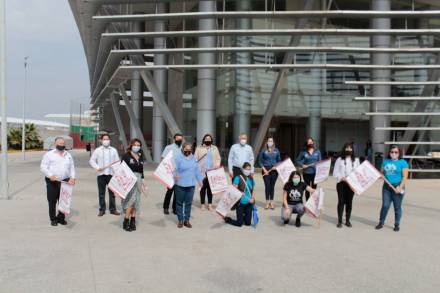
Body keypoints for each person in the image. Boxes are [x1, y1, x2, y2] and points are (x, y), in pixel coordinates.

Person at [40, 137, 76, 226]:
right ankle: (53, 219)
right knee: (52, 200)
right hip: (52, 181)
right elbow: (43, 167)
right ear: (55, 144)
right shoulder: (49, 154)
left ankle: (61, 218)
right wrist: (50, 175)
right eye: (59, 143)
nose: (61, 145)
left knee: (63, 200)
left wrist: (73, 177)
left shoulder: (68, 155)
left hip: (65, 181)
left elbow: (72, 167)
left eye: (63, 144)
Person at [375, 145, 409, 232]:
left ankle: (397, 224)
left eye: (396, 152)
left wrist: (400, 187)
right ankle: (381, 222)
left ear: (399, 153)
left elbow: (405, 177)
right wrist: (380, 176)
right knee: (385, 205)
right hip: (387, 187)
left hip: (398, 186)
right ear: (389, 153)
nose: (393, 154)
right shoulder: (385, 161)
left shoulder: (403, 162)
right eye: (392, 152)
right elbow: (381, 173)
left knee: (397, 207)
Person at [89, 134, 120, 217]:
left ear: (110, 140)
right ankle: (102, 209)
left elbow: (117, 162)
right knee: (101, 193)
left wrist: (117, 173)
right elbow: (92, 161)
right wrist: (97, 167)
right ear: (101, 140)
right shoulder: (97, 150)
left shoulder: (114, 150)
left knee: (112, 193)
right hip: (101, 175)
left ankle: (113, 209)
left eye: (107, 139)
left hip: (111, 174)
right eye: (104, 139)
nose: (106, 141)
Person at [174, 143, 203, 228]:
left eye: (189, 149)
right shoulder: (178, 158)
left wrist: (200, 181)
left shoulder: (194, 158)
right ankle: (180, 220)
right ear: (182, 149)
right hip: (180, 184)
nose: (188, 151)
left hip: (191, 184)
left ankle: (186, 220)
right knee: (179, 203)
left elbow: (197, 170)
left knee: (188, 203)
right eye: (186, 149)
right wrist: (175, 176)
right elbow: (174, 169)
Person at [333, 142, 360, 228]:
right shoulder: (339, 160)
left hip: (351, 185)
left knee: (349, 203)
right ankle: (340, 221)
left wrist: (352, 178)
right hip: (341, 184)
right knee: (341, 202)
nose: (348, 149)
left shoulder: (356, 160)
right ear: (344, 149)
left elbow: (358, 173)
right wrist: (341, 177)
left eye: (350, 148)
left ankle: (347, 220)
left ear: (352, 150)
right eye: (347, 148)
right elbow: (335, 173)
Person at [120, 139, 145, 232]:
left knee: (136, 201)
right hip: (129, 180)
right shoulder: (126, 156)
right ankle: (126, 220)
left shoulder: (140, 155)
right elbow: (121, 169)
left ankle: (133, 221)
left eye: (139, 145)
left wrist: (143, 180)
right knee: (130, 201)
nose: (137, 147)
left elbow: (141, 169)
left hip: (138, 180)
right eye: (135, 145)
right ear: (131, 145)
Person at [194, 134, 221, 211]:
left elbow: (218, 158)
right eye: (206, 138)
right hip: (202, 171)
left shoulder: (214, 148)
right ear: (204, 140)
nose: (208, 140)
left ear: (211, 140)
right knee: (203, 188)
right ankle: (202, 204)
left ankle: (210, 204)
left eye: (209, 139)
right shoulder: (199, 148)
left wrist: (217, 166)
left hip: (212, 171)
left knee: (210, 189)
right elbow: (195, 158)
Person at [224, 162, 256, 227]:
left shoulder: (251, 179)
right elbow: (234, 189)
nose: (248, 171)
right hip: (240, 203)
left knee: (248, 223)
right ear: (242, 169)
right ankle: (228, 219)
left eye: (249, 169)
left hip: (249, 203)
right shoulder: (238, 178)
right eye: (246, 169)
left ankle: (243, 216)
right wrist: (239, 192)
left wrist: (252, 198)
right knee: (239, 224)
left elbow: (253, 190)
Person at [161, 133, 183, 215]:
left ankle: (175, 209)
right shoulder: (169, 147)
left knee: (177, 192)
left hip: (180, 174)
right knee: (170, 191)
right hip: (170, 173)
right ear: (174, 139)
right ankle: (165, 207)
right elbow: (163, 158)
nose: (179, 141)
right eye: (178, 139)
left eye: (181, 139)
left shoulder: (182, 148)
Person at [258, 136, 281, 210]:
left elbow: (279, 160)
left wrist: (276, 166)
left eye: (271, 141)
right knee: (267, 186)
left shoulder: (276, 150)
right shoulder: (263, 151)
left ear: (273, 142)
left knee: (272, 186)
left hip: (274, 170)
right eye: (269, 141)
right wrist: (264, 169)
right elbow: (260, 161)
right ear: (267, 142)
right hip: (266, 169)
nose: (270, 142)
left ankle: (272, 202)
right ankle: (267, 202)